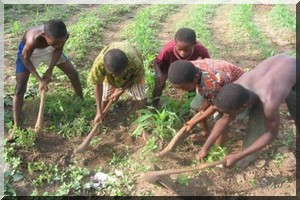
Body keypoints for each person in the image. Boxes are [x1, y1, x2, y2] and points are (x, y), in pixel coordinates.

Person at [197, 53, 298, 168]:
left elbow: (271, 134)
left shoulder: (269, 101)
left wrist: (239, 155)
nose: (227, 116)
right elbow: (224, 118)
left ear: (244, 106)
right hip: (279, 61)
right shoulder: (235, 88)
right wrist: (205, 148)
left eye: (230, 113)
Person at [13, 19, 83, 130]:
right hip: (29, 53)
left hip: (50, 51)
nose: (58, 44)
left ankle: (81, 100)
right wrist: (40, 79)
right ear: (44, 35)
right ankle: (16, 125)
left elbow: (58, 49)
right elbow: (24, 58)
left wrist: (49, 70)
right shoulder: (33, 39)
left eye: (61, 41)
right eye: (55, 43)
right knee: (20, 88)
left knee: (73, 74)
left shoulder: (61, 37)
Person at [167, 59, 244, 145]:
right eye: (178, 88)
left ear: (196, 78)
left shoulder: (211, 84)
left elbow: (216, 106)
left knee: (220, 119)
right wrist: (207, 100)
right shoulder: (189, 68)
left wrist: (194, 122)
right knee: (196, 106)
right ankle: (205, 133)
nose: (182, 91)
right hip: (216, 84)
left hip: (236, 87)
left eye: (185, 88)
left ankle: (219, 149)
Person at [88, 41, 147, 125]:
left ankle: (141, 120)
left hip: (131, 74)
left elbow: (137, 76)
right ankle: (103, 116)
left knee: (141, 97)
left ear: (127, 66)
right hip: (113, 68)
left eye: (117, 74)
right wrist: (99, 111)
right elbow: (97, 85)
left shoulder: (134, 62)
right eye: (111, 73)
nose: (114, 76)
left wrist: (122, 89)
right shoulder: (99, 64)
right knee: (105, 97)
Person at [152, 27, 210, 108]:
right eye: (179, 49)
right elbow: (157, 62)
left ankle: (189, 106)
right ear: (175, 43)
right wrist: (159, 73)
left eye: (187, 50)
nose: (183, 53)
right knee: (159, 85)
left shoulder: (200, 49)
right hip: (167, 66)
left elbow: (208, 62)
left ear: (194, 44)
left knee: (191, 84)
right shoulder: (167, 50)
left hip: (186, 67)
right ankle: (154, 105)